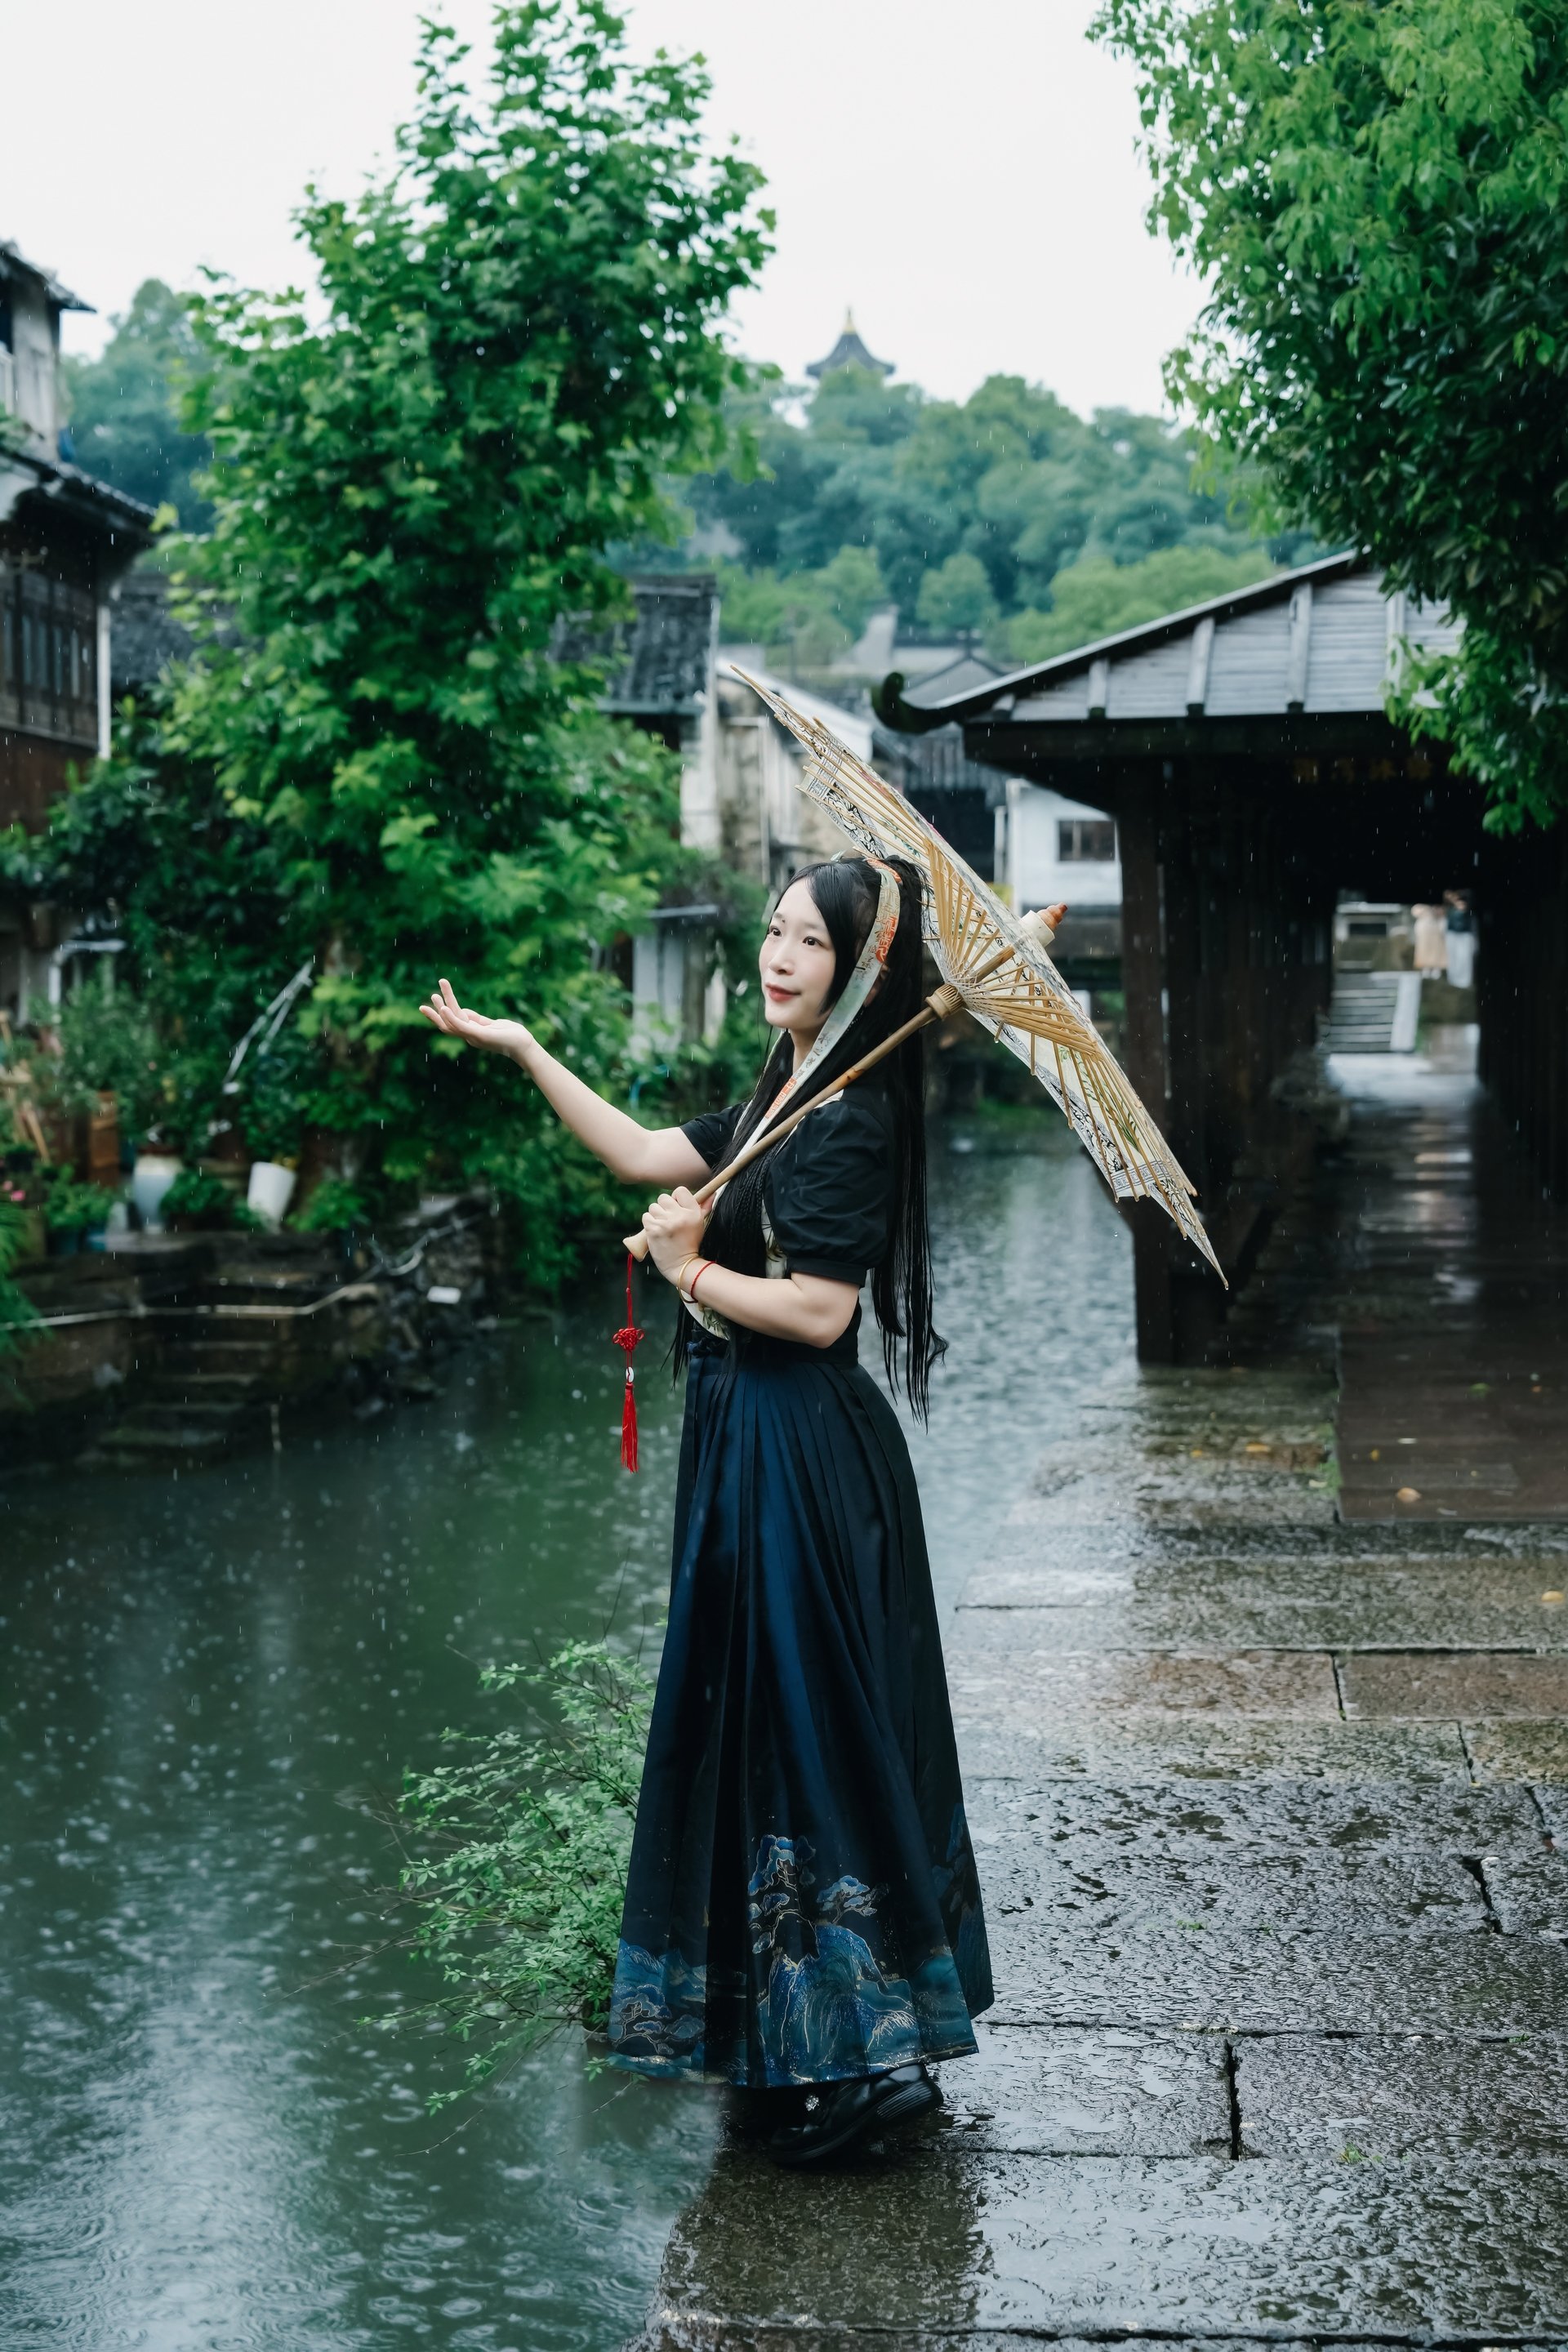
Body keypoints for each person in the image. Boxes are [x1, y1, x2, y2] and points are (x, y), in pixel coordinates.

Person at [421, 853, 998, 2166]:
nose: (777, 957)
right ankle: (789, 2036)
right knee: (751, 1728)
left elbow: (819, 1312)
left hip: (800, 1454)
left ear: (859, 970)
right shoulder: (782, 1092)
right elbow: (632, 1149)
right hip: (744, 1445)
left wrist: (689, 1265)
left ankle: (873, 2060)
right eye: (773, 932)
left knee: (812, 1729)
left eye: (808, 941)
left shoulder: (852, 1114)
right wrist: (519, 1045)